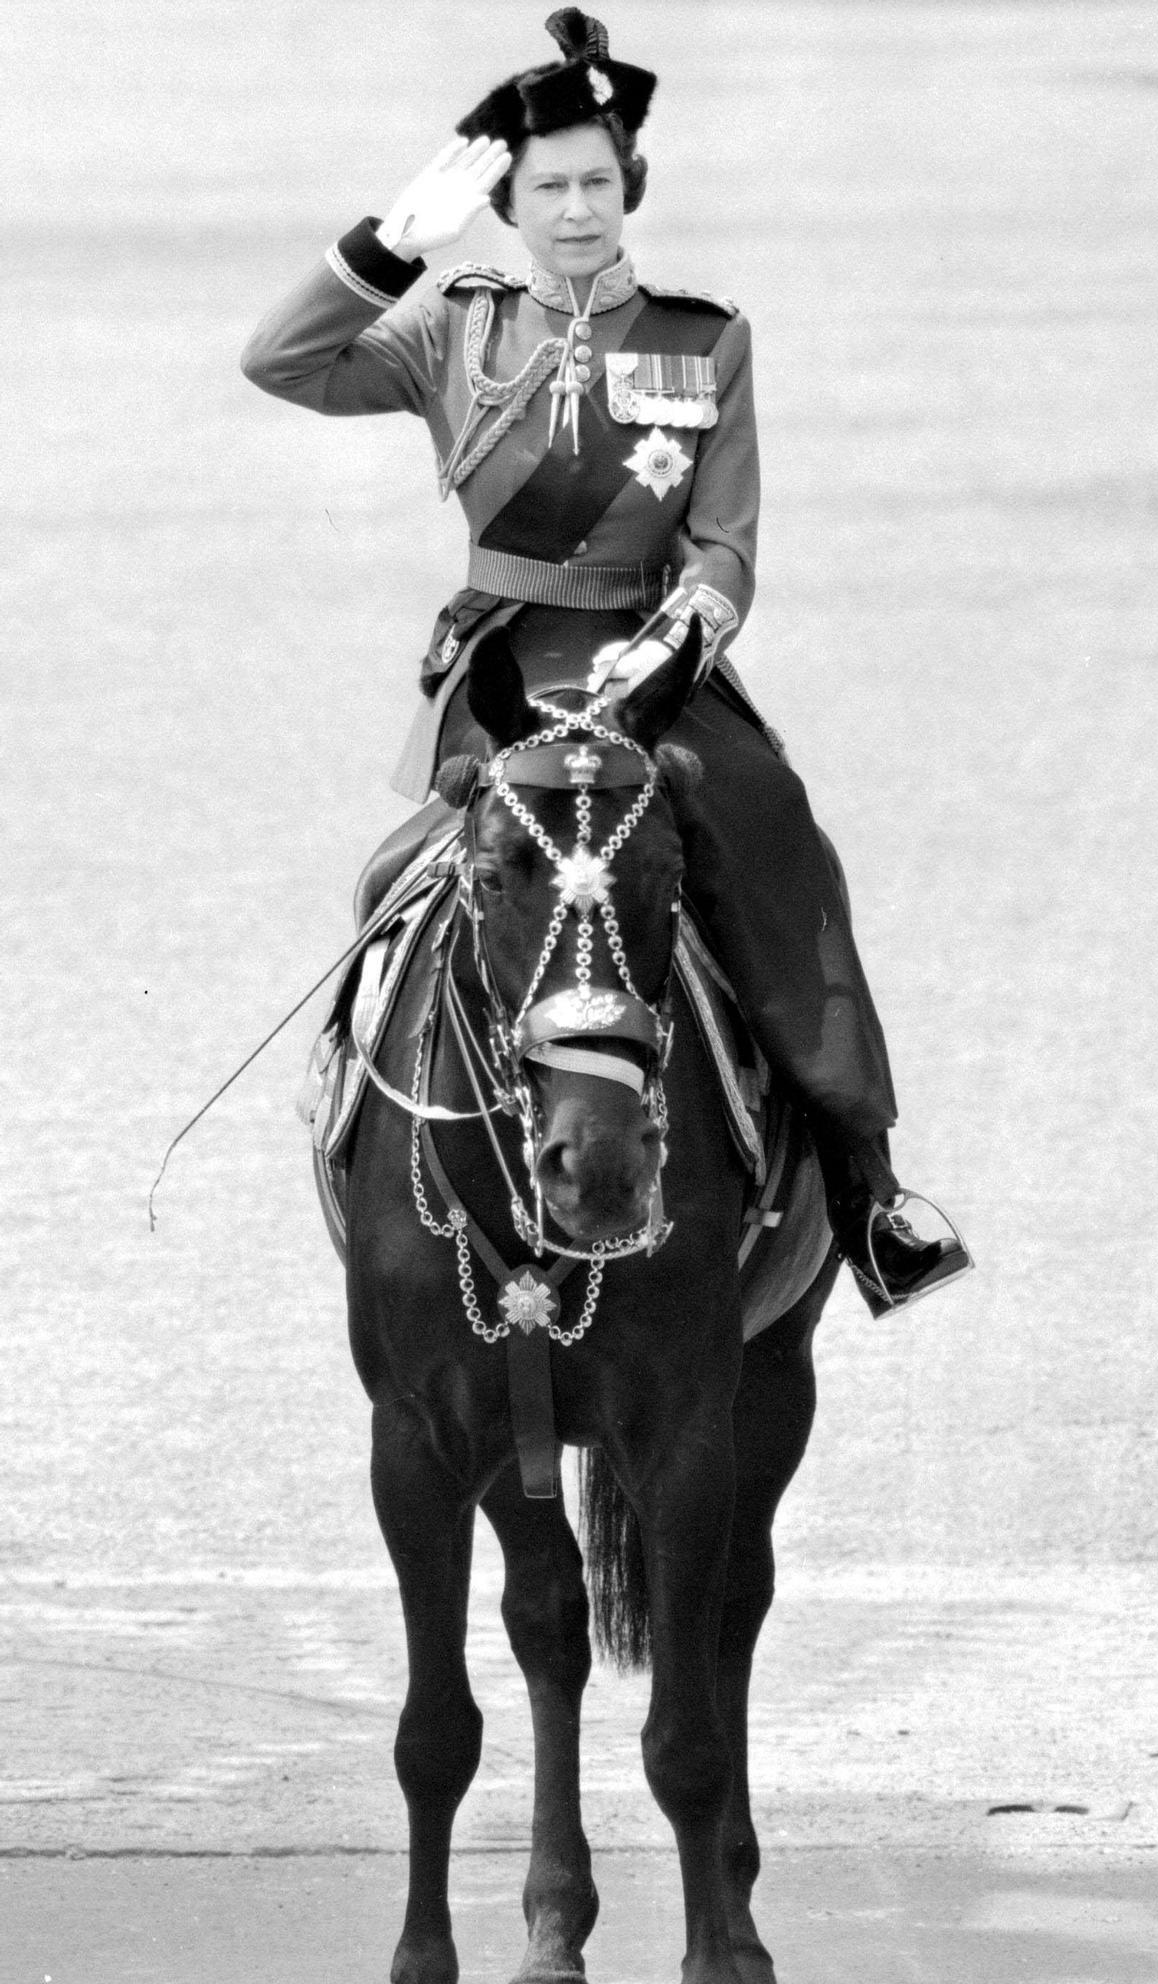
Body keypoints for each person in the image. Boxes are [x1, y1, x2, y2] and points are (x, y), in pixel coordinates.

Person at [241, 8, 972, 1316]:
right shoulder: (450, 334)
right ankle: (358, 1123)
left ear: (629, 189)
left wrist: (688, 629)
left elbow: (727, 544)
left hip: (663, 674)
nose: (576, 211)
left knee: (783, 851)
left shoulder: (705, 340)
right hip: (506, 674)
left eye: (595, 184)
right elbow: (281, 362)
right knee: (395, 883)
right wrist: (383, 248)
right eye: (546, 188)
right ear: (506, 204)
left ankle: (867, 1182)